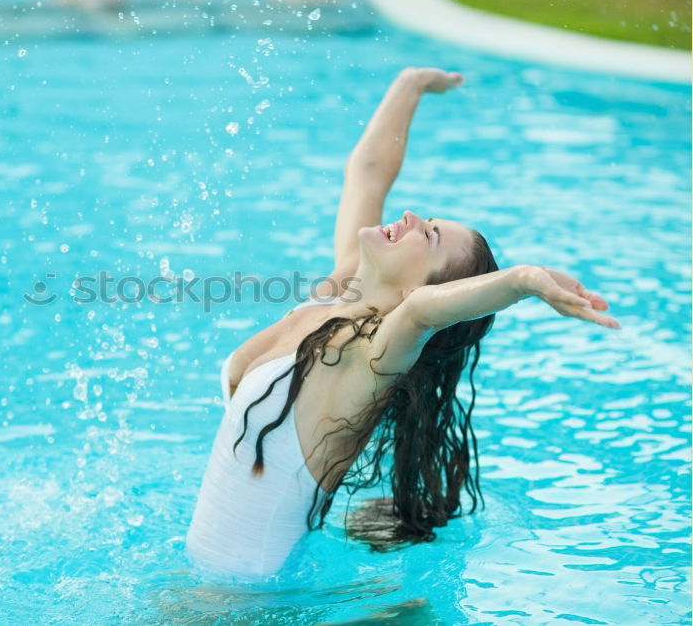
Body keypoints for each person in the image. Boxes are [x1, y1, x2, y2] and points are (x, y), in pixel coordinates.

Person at [184, 67, 621, 581]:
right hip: (207, 585)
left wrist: (525, 280)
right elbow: (367, 172)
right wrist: (410, 85)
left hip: (245, 602)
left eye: (430, 235)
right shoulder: (336, 298)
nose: (411, 216)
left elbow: (420, 313)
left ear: (426, 289)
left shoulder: (370, 357)